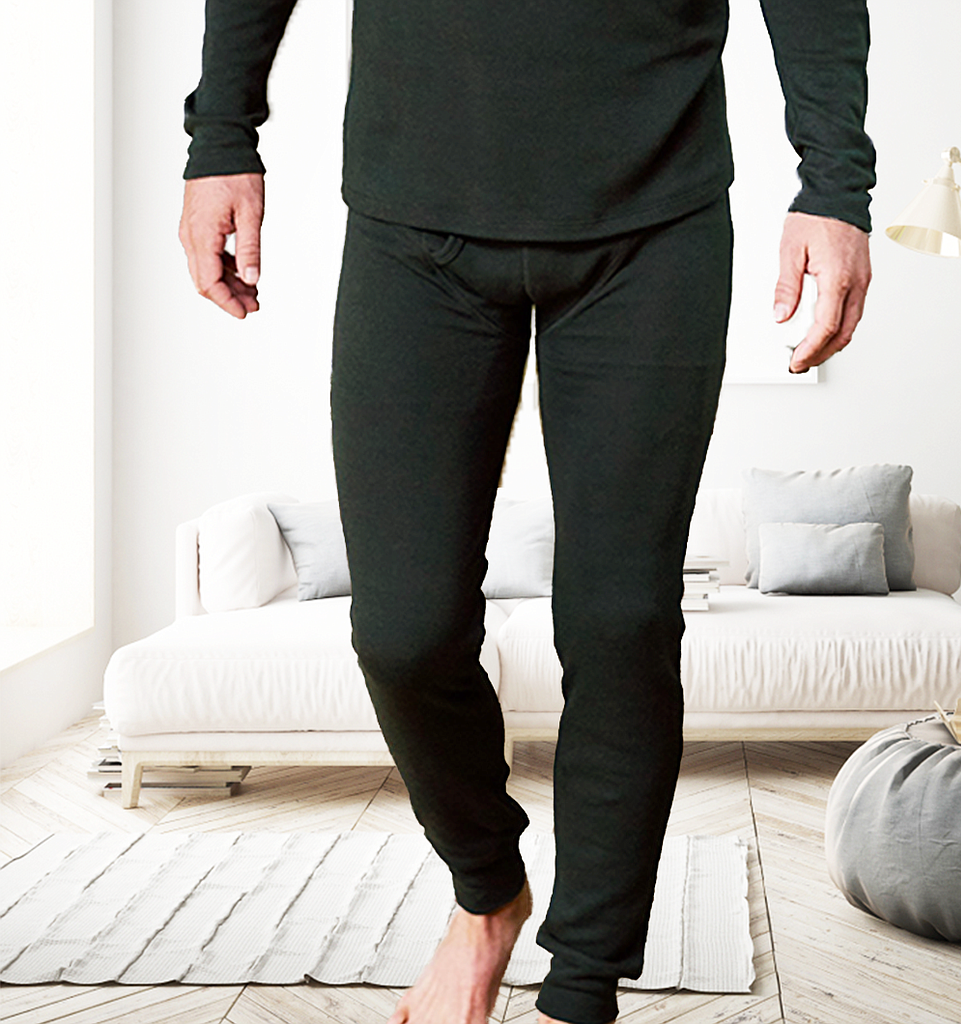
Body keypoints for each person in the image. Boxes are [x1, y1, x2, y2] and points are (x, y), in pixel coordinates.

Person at [178, 3, 874, 1023]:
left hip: (655, 215)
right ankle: (487, 891)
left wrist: (835, 184)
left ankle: (581, 985)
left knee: (622, 621)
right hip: (413, 211)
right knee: (403, 631)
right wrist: (221, 138)